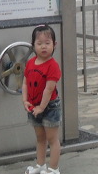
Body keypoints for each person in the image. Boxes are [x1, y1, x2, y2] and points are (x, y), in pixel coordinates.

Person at [22, 24, 62, 174]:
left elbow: (49, 89)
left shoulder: (53, 66)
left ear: (54, 44)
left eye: (47, 43)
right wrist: (25, 100)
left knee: (52, 139)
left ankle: (53, 169)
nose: (43, 47)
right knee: (40, 138)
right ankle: (40, 165)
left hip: (50, 107)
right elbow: (25, 83)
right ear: (33, 45)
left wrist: (41, 107)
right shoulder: (30, 63)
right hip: (34, 106)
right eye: (39, 43)